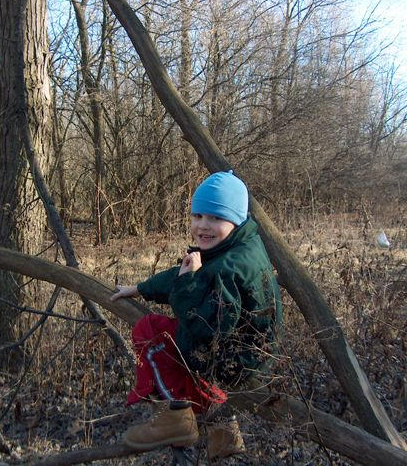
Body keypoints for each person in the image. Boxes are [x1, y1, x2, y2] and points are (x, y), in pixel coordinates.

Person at [111, 170, 282, 459]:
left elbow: (206, 329)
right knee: (180, 337)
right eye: (198, 216)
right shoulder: (236, 248)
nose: (203, 225)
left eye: (216, 218)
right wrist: (140, 288)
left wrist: (187, 284)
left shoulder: (229, 269)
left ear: (236, 219)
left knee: (149, 331)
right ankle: (223, 432)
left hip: (236, 362)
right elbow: (185, 276)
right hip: (247, 354)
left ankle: (177, 417)